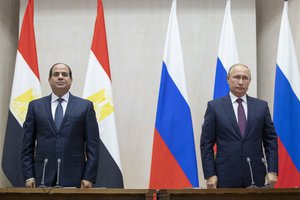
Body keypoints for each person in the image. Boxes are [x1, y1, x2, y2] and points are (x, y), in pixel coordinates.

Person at [21, 63, 100, 188]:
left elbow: (93, 147)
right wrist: (28, 175)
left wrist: (89, 176)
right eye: (56, 74)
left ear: (71, 80)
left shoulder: (85, 107)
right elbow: (27, 146)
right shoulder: (35, 106)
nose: (60, 77)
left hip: (75, 176)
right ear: (49, 80)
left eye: (65, 74)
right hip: (42, 176)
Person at [200, 63, 278, 188]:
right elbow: (206, 143)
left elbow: (271, 141)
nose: (241, 82)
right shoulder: (215, 107)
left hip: (255, 175)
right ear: (228, 79)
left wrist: (272, 170)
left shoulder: (261, 107)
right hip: (224, 176)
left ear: (249, 81)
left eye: (245, 78)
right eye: (237, 77)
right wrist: (210, 174)